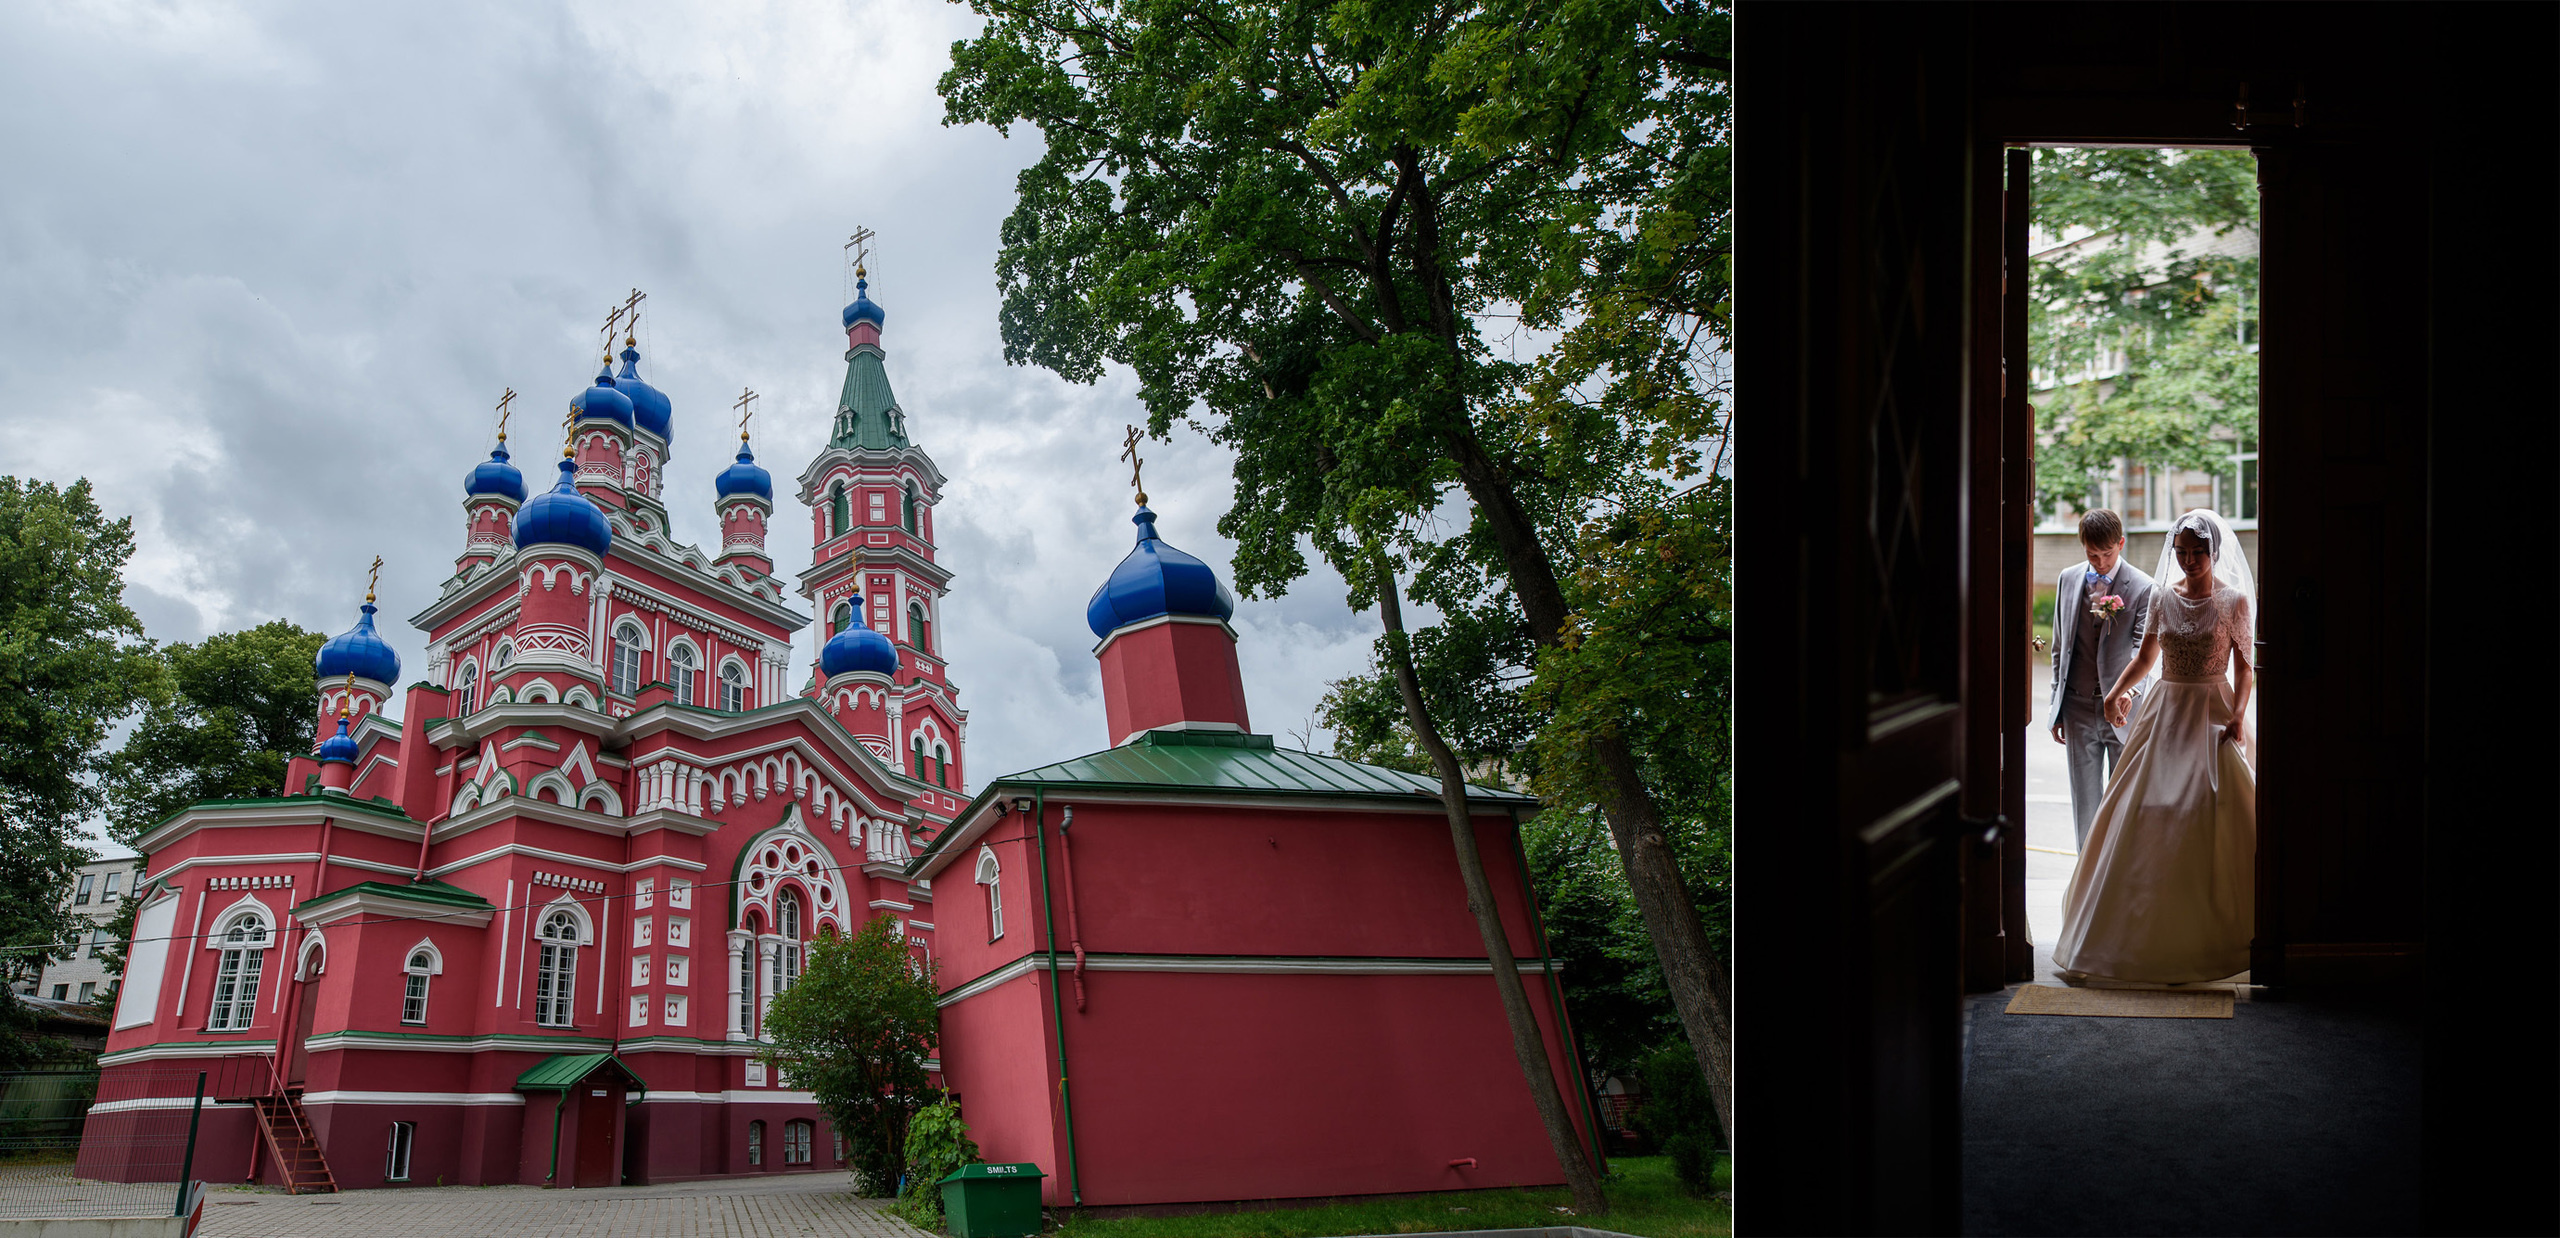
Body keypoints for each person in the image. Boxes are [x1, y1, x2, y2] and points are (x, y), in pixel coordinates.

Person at [2052, 509, 2258, 984]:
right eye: (2182, 553)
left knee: (2204, 808)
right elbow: (2147, 655)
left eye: (2197, 553)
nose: (2188, 561)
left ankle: (2208, 937)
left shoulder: (2234, 602)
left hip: (2210, 711)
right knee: (2141, 811)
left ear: (2213, 553)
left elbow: (2246, 665)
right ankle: (2135, 934)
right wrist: (2116, 691)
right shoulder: (2164, 597)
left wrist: (2238, 715)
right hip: (2164, 709)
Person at [2047, 509, 2157, 851]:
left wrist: (2130, 692)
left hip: (2123, 711)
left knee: (2123, 802)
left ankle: (2117, 877)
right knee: (2085, 803)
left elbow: (2145, 651)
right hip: (2077, 707)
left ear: (2120, 544)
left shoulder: (2143, 587)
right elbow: (2059, 647)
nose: (2099, 562)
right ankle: (2086, 880)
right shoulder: (2067, 579)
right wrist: (2057, 707)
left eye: (2107, 554)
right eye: (2092, 554)